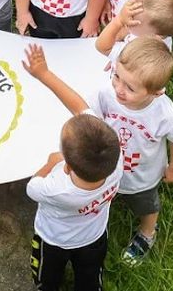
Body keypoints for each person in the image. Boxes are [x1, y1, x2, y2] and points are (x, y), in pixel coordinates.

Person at [24, 37, 173, 266]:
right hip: (105, 170)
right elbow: (81, 108)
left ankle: (148, 231)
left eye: (130, 88)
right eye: (117, 76)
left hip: (142, 177)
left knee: (146, 204)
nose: (119, 89)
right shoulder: (107, 94)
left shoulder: (165, 114)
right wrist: (44, 74)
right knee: (105, 196)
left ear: (157, 92)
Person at [24, 112, 122, 291]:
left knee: (47, 278)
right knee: (90, 277)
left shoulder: (58, 189)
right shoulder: (117, 163)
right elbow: (82, 109)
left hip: (54, 240)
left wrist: (50, 163)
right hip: (94, 236)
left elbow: (31, 188)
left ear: (67, 167)